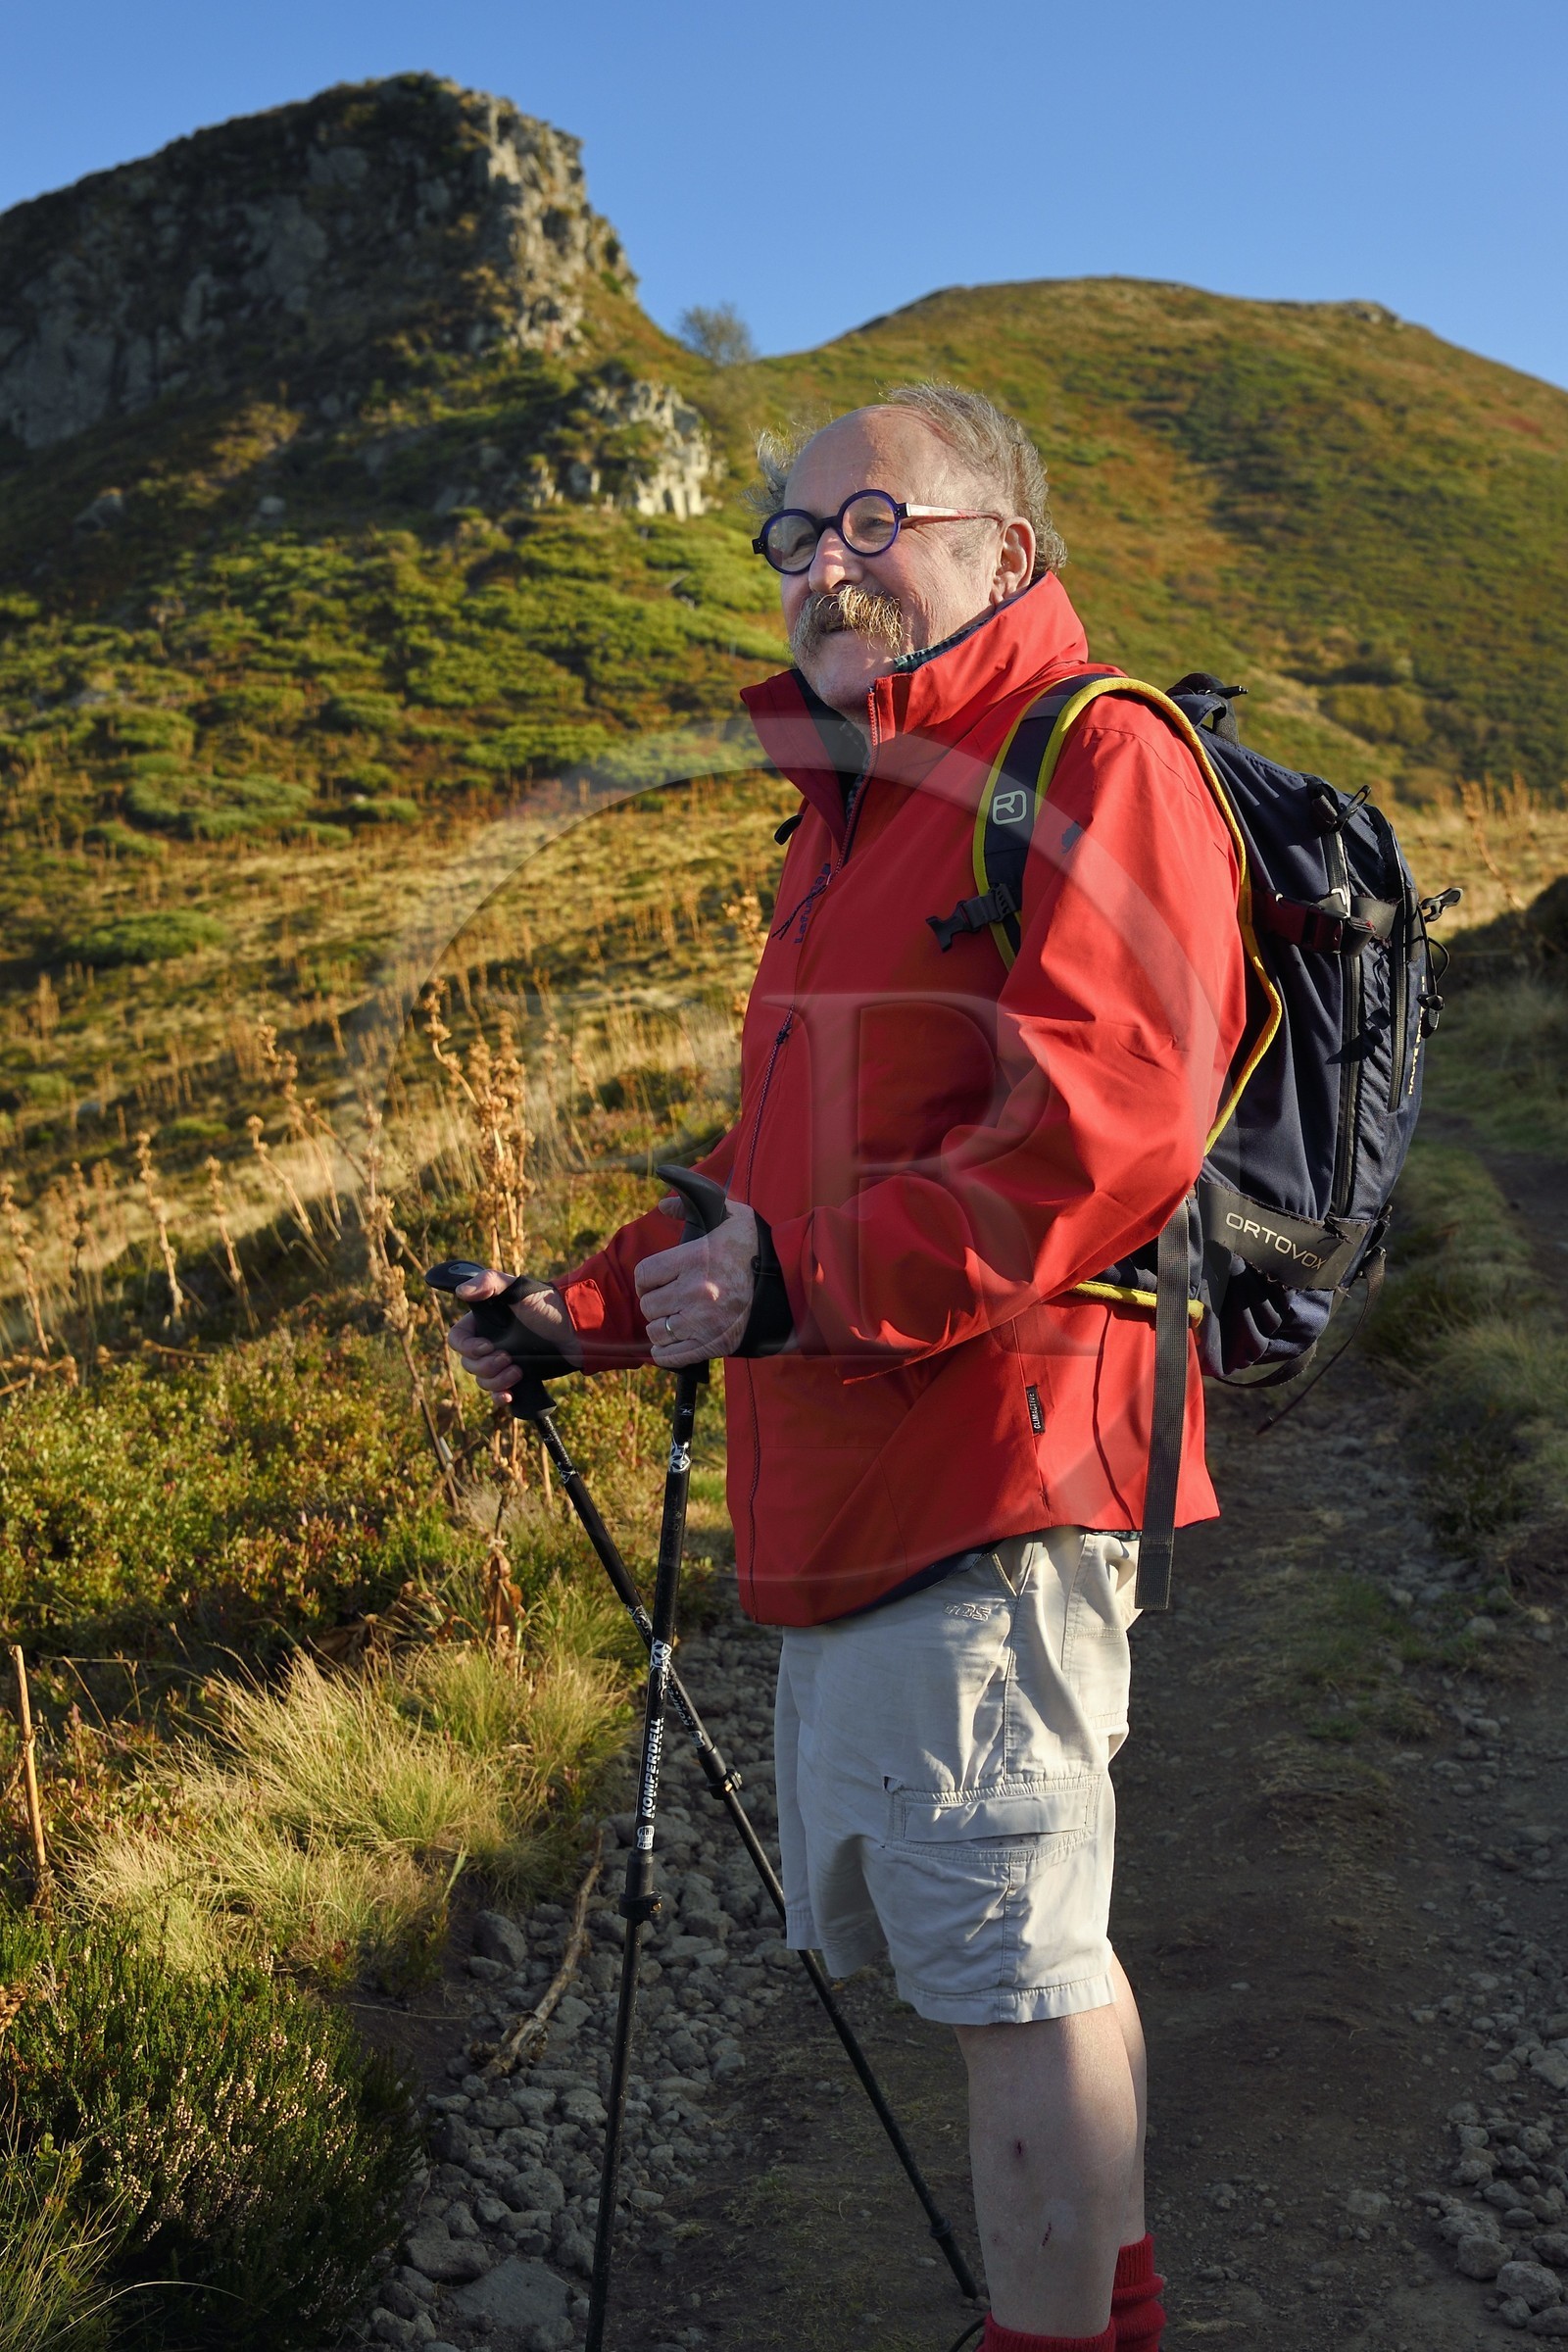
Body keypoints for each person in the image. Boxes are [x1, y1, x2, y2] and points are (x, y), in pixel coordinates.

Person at [448, 381, 1250, 2352]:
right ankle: (1106, 2313)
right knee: (1012, 1949)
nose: (822, 567)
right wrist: (590, 1309)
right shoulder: (855, 818)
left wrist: (800, 1288)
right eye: (793, 538)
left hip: (989, 1455)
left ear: (1006, 546)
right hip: (859, 1470)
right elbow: (773, 1187)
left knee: (1007, 1971)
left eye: (871, 520)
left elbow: (1103, 1129)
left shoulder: (1091, 757)